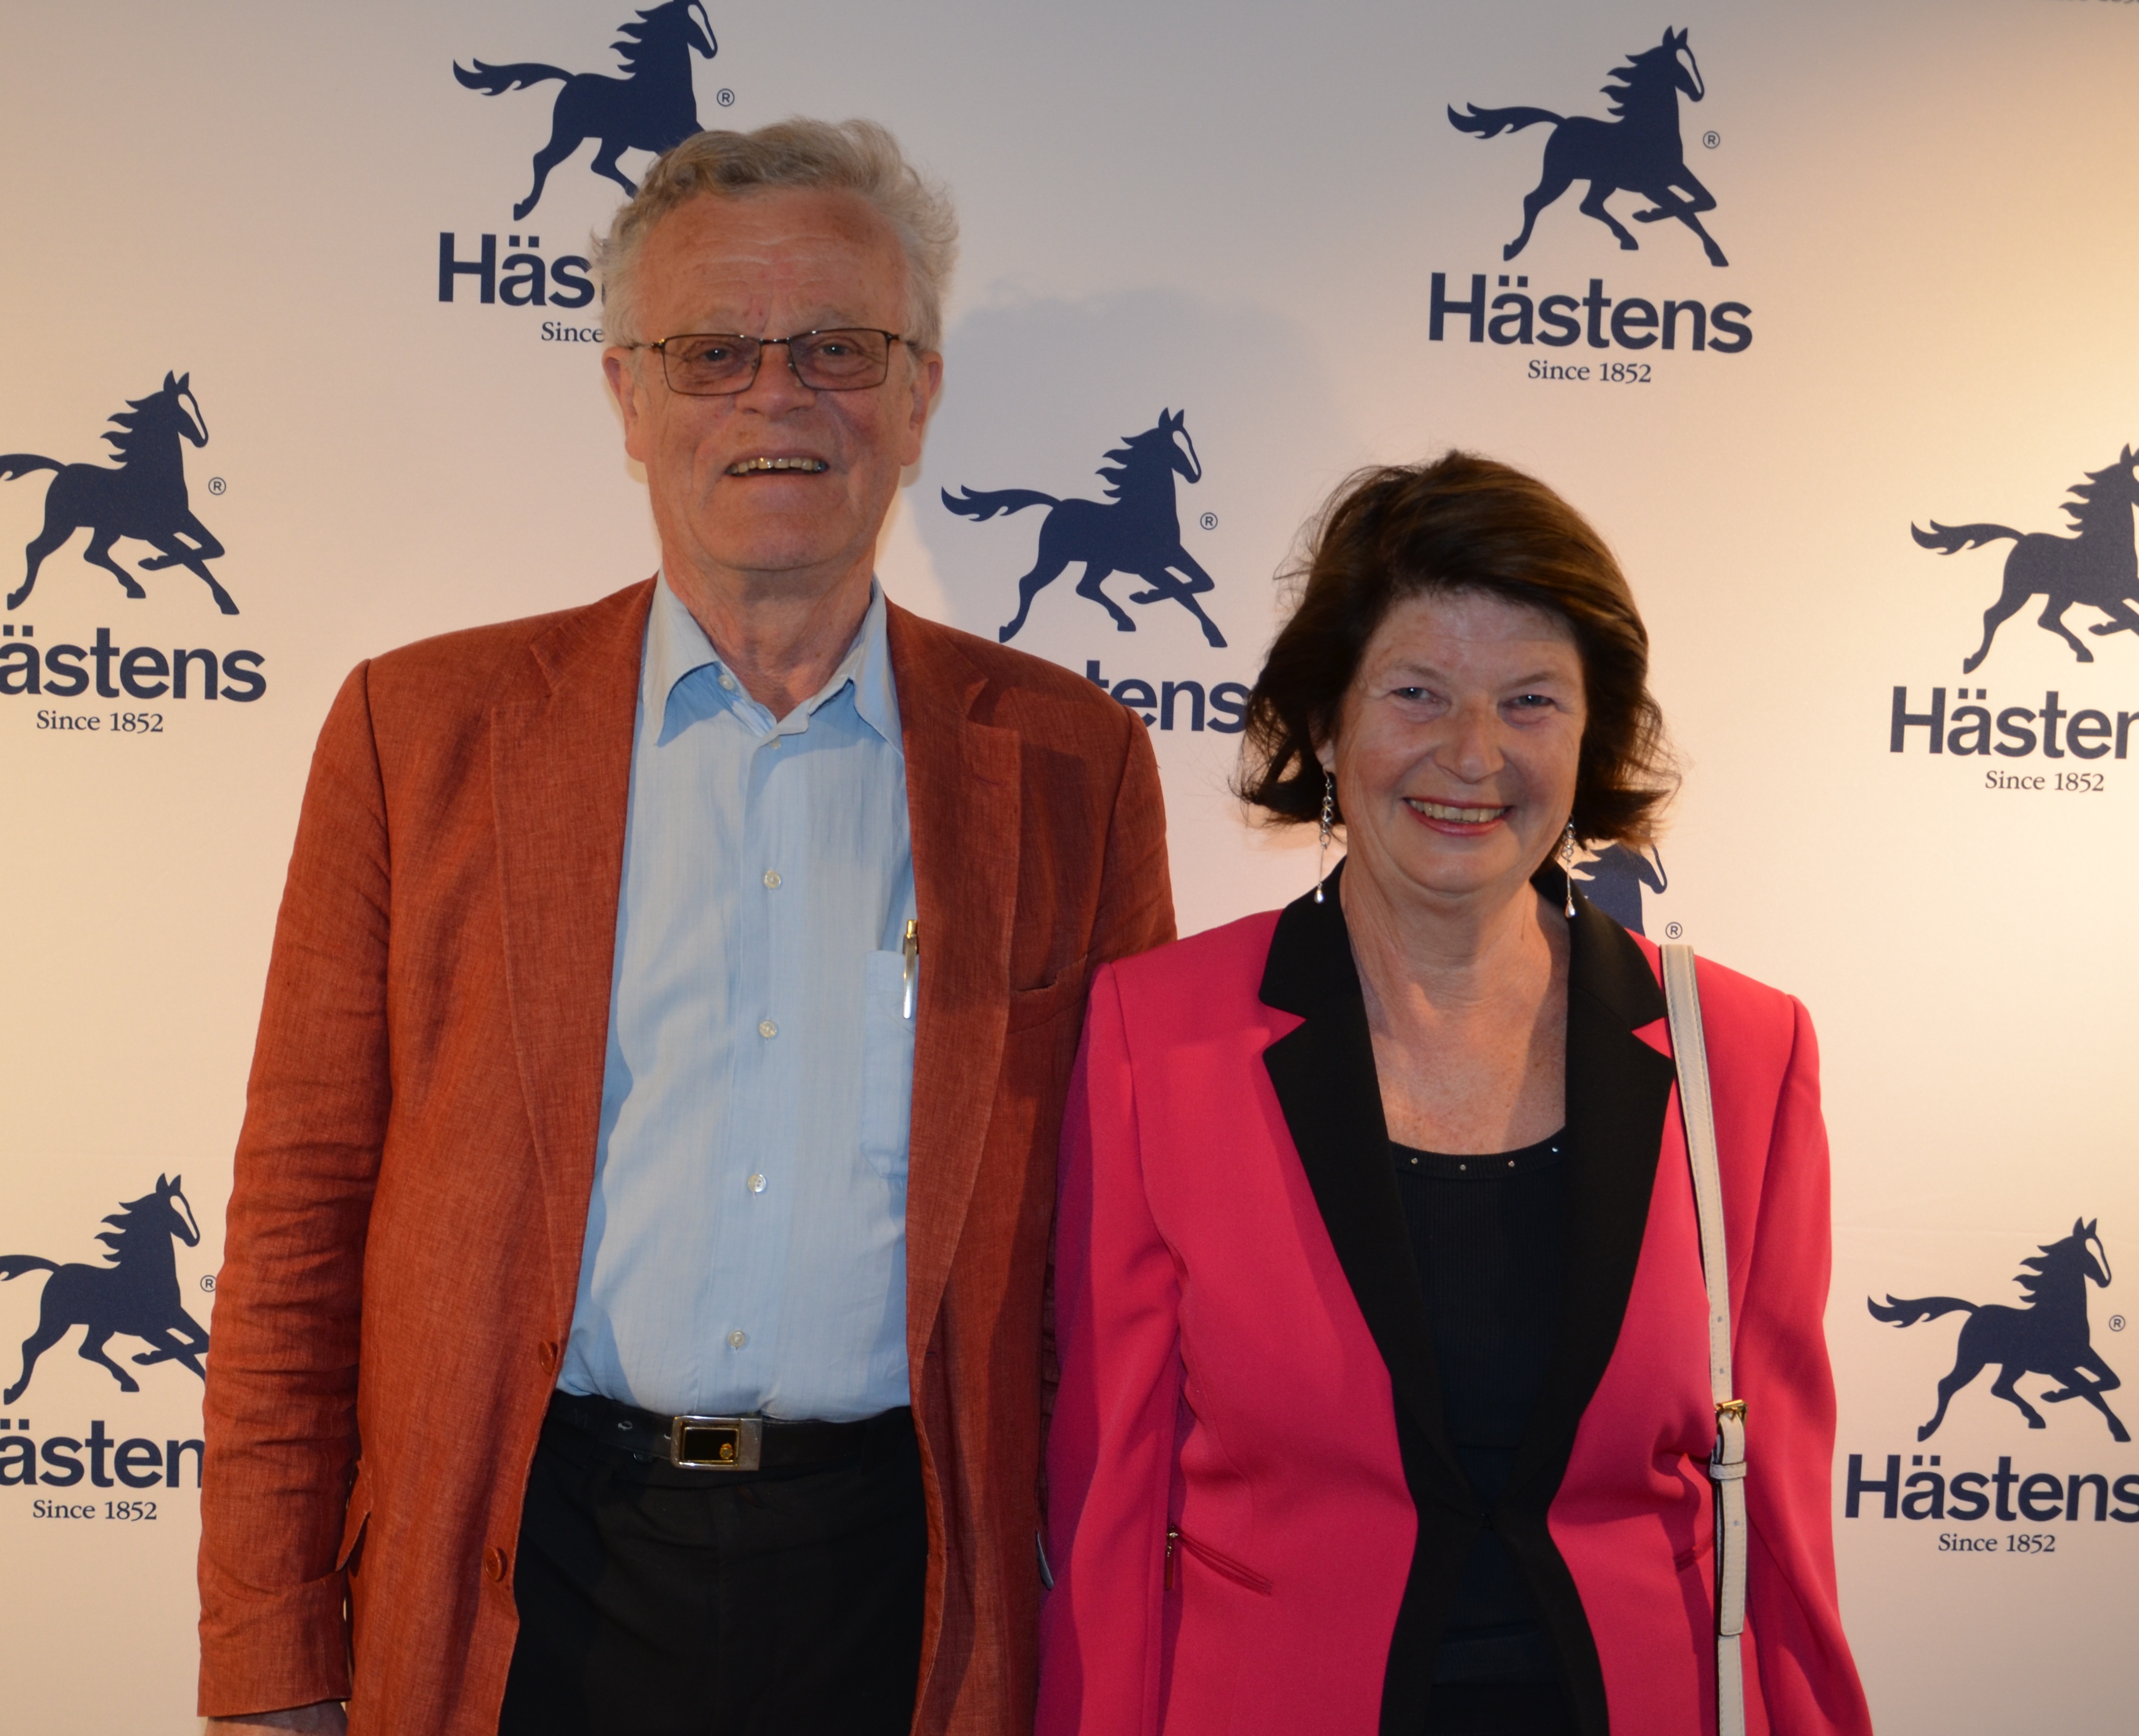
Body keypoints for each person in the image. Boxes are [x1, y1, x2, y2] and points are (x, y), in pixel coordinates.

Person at [198, 119, 1175, 1736]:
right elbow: (299, 1228)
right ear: (628, 396)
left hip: (914, 1595)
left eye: (838, 348)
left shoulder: (1074, 764)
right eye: (713, 351)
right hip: (528, 1582)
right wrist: (269, 1656)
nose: (775, 397)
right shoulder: (417, 734)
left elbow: (1119, 1257)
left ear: (919, 395)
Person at [1038, 455, 1871, 1735]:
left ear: (1591, 737)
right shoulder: (1156, 1036)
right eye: (1415, 693)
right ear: (1325, 725)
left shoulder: (1742, 1054)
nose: (1471, 755)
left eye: (1529, 701)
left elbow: (1781, 1524)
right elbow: (1110, 1499)